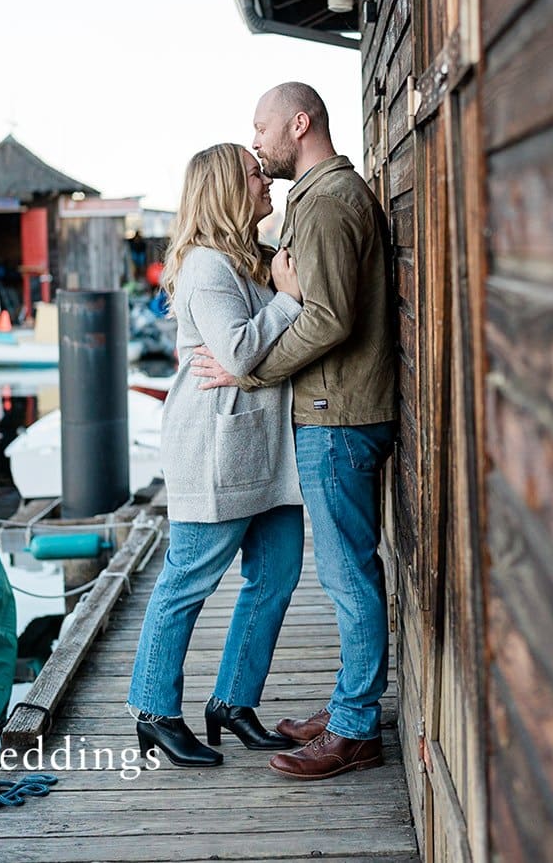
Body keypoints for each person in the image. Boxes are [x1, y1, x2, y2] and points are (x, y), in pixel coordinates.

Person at [191, 82, 395, 780]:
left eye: (262, 127)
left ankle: (356, 727)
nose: (256, 142)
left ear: (299, 124)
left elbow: (330, 315)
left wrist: (250, 371)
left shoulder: (332, 199)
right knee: (345, 573)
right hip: (330, 413)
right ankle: (349, 704)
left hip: (340, 418)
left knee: (347, 577)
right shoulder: (318, 198)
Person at [127, 142, 307, 767]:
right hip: (216, 448)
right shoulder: (207, 266)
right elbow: (235, 355)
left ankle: (232, 701)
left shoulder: (254, 259)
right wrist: (286, 303)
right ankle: (154, 710)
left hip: (267, 448)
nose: (268, 180)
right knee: (188, 580)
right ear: (227, 188)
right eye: (256, 174)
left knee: (278, 576)